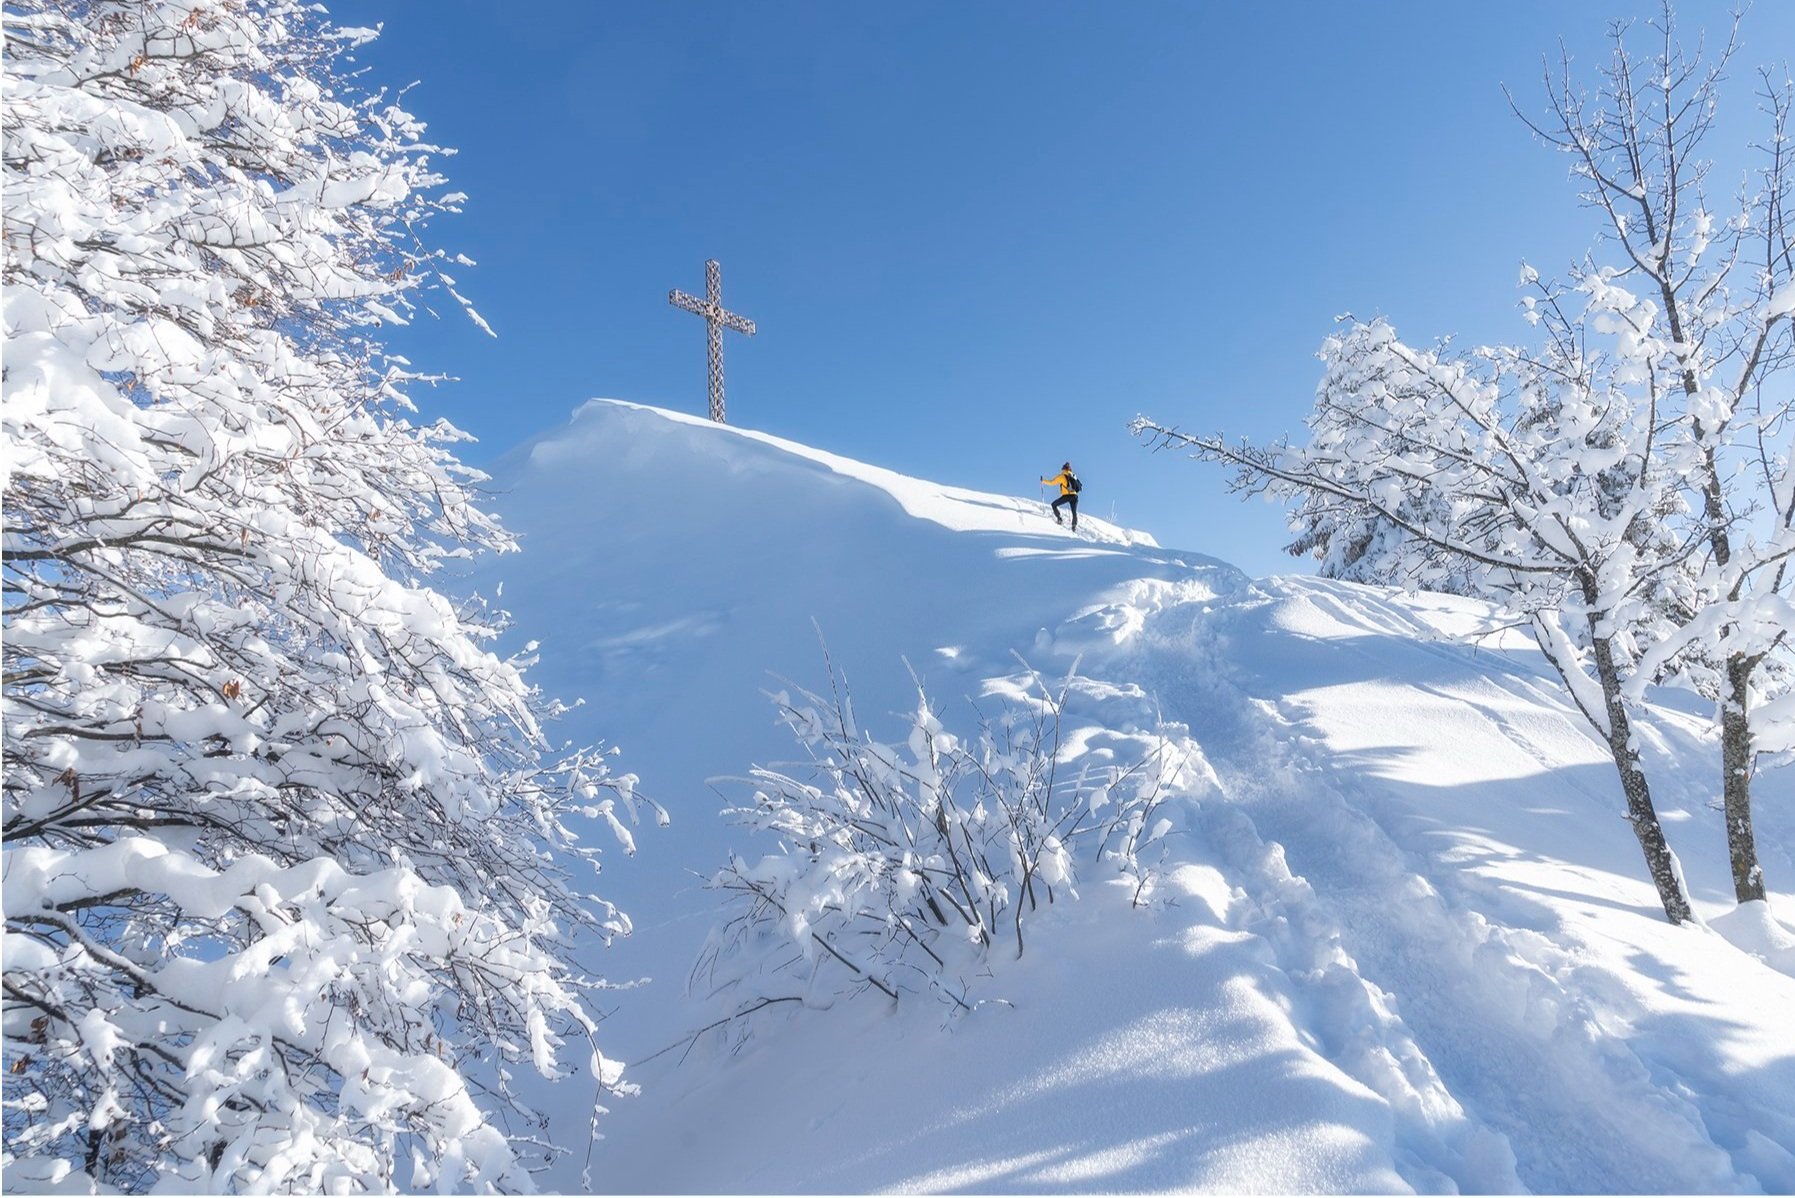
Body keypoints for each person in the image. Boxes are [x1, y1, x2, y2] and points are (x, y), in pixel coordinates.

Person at [1041, 461, 1079, 530]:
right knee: (1074, 512)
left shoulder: (1062, 476)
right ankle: (1074, 526)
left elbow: (1051, 482)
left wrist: (1043, 481)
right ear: (1069, 469)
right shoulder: (1073, 476)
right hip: (1075, 496)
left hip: (1067, 496)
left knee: (1054, 505)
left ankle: (1059, 519)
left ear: (1063, 469)